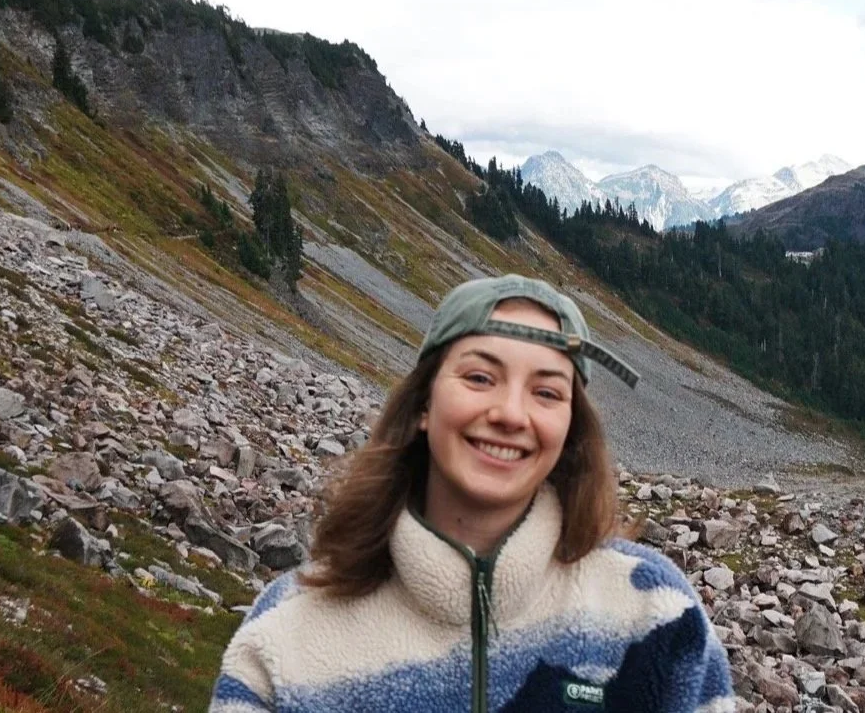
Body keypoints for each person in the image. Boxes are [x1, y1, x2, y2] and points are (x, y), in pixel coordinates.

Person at [212, 274, 737, 713]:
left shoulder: (656, 612)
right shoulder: (286, 630)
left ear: (570, 427)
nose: (510, 413)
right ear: (423, 404)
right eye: (481, 377)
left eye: (547, 392)